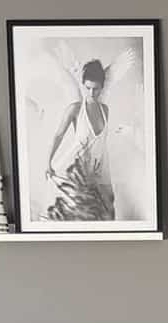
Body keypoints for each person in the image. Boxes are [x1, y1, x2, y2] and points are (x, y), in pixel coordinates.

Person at [44, 59, 116, 220]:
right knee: (79, 214)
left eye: (96, 89)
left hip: (99, 169)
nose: (91, 93)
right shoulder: (75, 109)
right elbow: (58, 135)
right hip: (75, 169)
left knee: (109, 211)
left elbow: (101, 145)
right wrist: (48, 162)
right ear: (83, 85)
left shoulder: (105, 110)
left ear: (102, 87)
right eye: (88, 88)